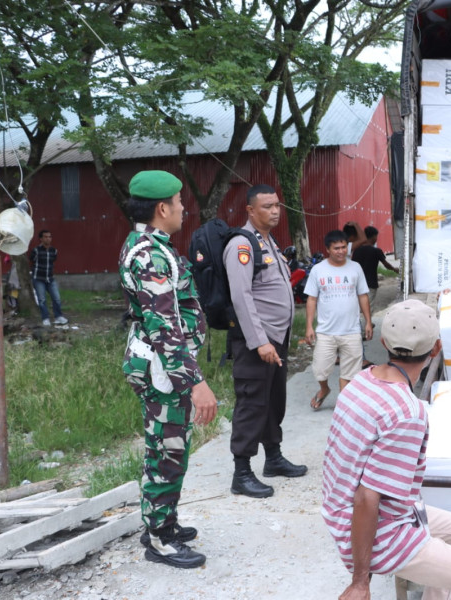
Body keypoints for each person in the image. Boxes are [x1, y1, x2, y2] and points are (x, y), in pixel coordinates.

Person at [322, 299, 451, 600]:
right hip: (378, 530)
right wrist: (360, 581)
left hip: (353, 512)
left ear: (384, 342)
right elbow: (367, 496)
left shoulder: (361, 381)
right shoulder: (406, 412)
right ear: (436, 348)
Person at [118, 170, 218, 569]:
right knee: (168, 451)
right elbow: (164, 327)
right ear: (162, 208)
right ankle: (159, 539)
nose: (183, 208)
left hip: (165, 366)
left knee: (165, 446)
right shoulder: (150, 255)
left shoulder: (149, 245)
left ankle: (163, 521)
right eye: (179, 202)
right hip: (165, 368)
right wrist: (195, 381)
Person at [224, 184, 307, 499]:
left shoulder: (268, 242)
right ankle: (241, 473)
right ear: (250, 210)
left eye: (277, 205)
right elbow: (241, 296)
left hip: (276, 339)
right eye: (267, 206)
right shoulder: (242, 245)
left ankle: (273, 458)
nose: (274, 211)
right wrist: (260, 341)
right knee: (252, 403)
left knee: (274, 400)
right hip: (256, 342)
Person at [305, 230, 373, 411]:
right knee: (320, 369)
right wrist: (309, 326)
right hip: (326, 331)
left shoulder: (355, 267)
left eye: (344, 247)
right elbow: (311, 299)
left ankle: (344, 406)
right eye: (337, 248)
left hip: (351, 330)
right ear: (328, 249)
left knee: (350, 371)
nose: (341, 251)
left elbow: (363, 295)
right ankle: (324, 389)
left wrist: (367, 321)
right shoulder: (318, 270)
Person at [351, 225, 399, 309]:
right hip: (371, 283)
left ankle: (360, 321)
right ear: (373, 237)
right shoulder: (376, 251)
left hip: (358, 283)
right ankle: (368, 322)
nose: (376, 239)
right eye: (376, 236)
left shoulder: (356, 250)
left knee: (358, 305)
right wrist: (394, 269)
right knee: (369, 305)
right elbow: (386, 264)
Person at [29, 229, 68, 326]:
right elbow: (31, 261)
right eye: (45, 237)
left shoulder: (54, 251)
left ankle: (58, 316)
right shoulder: (36, 250)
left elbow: (53, 261)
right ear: (41, 239)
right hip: (38, 279)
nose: (48, 239)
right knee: (42, 300)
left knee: (57, 298)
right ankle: (45, 318)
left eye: (50, 237)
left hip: (50, 278)